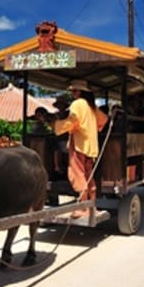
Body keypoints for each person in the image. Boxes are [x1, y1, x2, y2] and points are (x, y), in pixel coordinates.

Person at [51, 79, 107, 217]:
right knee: (88, 175)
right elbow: (104, 120)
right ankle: (91, 207)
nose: (73, 93)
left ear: (80, 92)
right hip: (91, 146)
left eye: (74, 91)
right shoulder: (91, 106)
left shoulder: (77, 104)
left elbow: (73, 121)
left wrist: (56, 126)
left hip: (79, 144)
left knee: (77, 174)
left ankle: (82, 209)